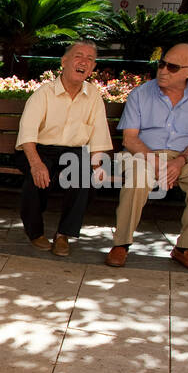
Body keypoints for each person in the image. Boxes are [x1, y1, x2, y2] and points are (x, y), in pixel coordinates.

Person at [105, 43, 188, 271]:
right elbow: (129, 139)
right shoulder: (141, 94)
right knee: (139, 176)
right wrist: (156, 162)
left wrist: (179, 162)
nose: (163, 70)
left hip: (183, 158)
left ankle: (185, 248)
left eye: (173, 67)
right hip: (142, 154)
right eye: (162, 63)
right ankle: (122, 243)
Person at [14, 40, 112, 257]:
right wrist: (37, 163)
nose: (84, 62)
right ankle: (35, 232)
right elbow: (28, 132)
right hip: (38, 148)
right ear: (64, 61)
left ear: (93, 67)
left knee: (86, 178)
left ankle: (63, 234)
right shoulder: (45, 92)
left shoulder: (93, 95)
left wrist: (98, 165)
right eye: (78, 56)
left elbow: (98, 135)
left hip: (73, 153)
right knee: (36, 176)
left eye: (90, 59)